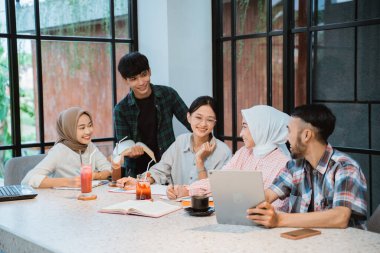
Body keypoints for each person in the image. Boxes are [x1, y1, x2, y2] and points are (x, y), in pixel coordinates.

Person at [247, 104, 367, 229]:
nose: (286, 138)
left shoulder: (345, 168)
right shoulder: (294, 166)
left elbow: (340, 217)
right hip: (306, 242)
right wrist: (246, 202)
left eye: (289, 131)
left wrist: (279, 219)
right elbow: (268, 195)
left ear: (306, 135)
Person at [116, 96, 232, 195]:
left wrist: (200, 161)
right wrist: (140, 181)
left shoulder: (223, 152)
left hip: (205, 210)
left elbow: (215, 191)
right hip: (175, 206)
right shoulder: (181, 141)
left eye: (209, 120)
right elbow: (161, 169)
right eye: (198, 117)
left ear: (215, 123)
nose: (203, 124)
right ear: (189, 117)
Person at [185, 105, 291, 211]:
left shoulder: (284, 164)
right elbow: (219, 182)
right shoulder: (244, 152)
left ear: (261, 128)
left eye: (245, 126)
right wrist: (187, 190)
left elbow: (275, 207)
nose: (241, 133)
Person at [114, 52, 191, 177]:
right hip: (136, 172)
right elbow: (124, 143)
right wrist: (130, 150)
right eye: (134, 79)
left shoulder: (168, 94)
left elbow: (190, 121)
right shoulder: (121, 109)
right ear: (125, 80)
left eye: (143, 75)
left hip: (168, 168)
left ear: (149, 71)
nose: (141, 82)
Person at [22, 107, 113, 188]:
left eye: (90, 125)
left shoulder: (89, 145)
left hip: (89, 198)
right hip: (63, 202)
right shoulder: (59, 151)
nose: (88, 131)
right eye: (82, 128)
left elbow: (108, 168)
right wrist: (68, 181)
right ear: (69, 129)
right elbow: (27, 180)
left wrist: (93, 176)